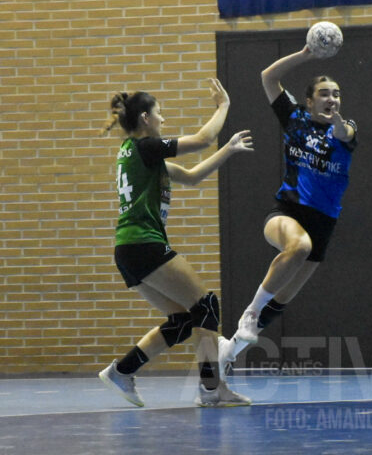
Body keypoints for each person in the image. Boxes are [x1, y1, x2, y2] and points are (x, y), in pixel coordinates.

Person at [98, 79, 254, 407]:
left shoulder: (137, 156)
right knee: (207, 306)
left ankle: (121, 372)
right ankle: (212, 390)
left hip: (127, 249)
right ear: (144, 118)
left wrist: (228, 150)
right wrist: (223, 106)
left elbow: (193, 175)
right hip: (143, 243)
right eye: (159, 113)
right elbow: (202, 139)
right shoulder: (146, 147)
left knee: (184, 320)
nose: (163, 119)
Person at [218, 45, 358, 374]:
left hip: (324, 223)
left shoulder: (346, 129)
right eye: (324, 94)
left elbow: (344, 132)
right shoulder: (295, 119)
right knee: (299, 247)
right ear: (308, 101)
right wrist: (308, 53)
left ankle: (229, 351)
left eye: (336, 95)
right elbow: (268, 76)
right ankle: (249, 313)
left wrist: (338, 124)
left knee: (282, 299)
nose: (332, 100)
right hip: (287, 212)